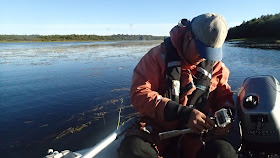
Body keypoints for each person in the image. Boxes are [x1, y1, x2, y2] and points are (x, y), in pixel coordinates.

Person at [118, 13, 238, 158]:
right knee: (133, 149)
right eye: (202, 51)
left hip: (196, 135)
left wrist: (226, 115)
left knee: (224, 153)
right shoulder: (156, 56)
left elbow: (224, 96)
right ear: (188, 37)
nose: (205, 58)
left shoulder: (216, 67)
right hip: (158, 132)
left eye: (211, 53)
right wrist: (183, 113)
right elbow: (139, 94)